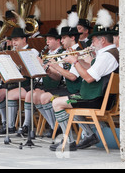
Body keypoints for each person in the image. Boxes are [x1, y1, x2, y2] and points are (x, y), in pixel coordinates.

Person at [50, 10, 119, 151]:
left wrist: (75, 62)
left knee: (57, 103)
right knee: (70, 100)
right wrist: (81, 60)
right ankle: (89, 134)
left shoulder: (106, 56)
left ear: (102, 40)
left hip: (94, 99)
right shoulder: (109, 54)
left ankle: (69, 140)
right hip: (97, 96)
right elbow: (91, 69)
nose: (91, 43)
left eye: (93, 40)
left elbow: (88, 78)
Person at [0, 27, 39, 134]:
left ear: (24, 40)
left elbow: (34, 70)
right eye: (13, 40)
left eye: (16, 40)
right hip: (15, 83)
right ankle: (5, 122)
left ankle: (12, 126)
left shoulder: (32, 51)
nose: (14, 42)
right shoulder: (11, 52)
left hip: (28, 83)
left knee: (11, 95)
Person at [19, 27, 64, 137]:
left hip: (57, 85)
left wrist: (42, 64)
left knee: (40, 97)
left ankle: (55, 127)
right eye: (46, 39)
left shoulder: (62, 53)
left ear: (58, 40)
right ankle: (28, 125)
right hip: (46, 85)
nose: (47, 42)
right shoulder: (47, 53)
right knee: (30, 95)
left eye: (50, 39)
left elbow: (60, 74)